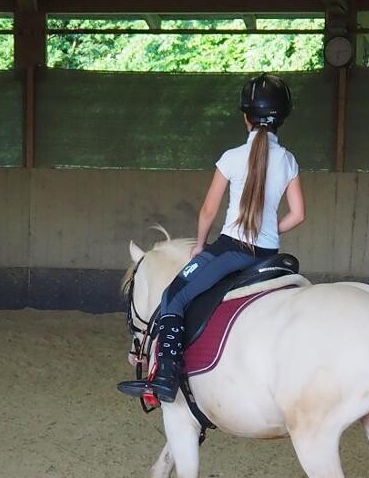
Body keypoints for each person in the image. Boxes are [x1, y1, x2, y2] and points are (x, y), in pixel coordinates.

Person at [129, 73, 305, 403]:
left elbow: (208, 210)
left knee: (174, 296)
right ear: (281, 118)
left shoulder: (231, 157)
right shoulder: (288, 160)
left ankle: (165, 375)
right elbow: (298, 215)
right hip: (268, 254)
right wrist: (268, 230)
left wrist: (199, 245)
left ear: (246, 117)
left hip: (232, 250)